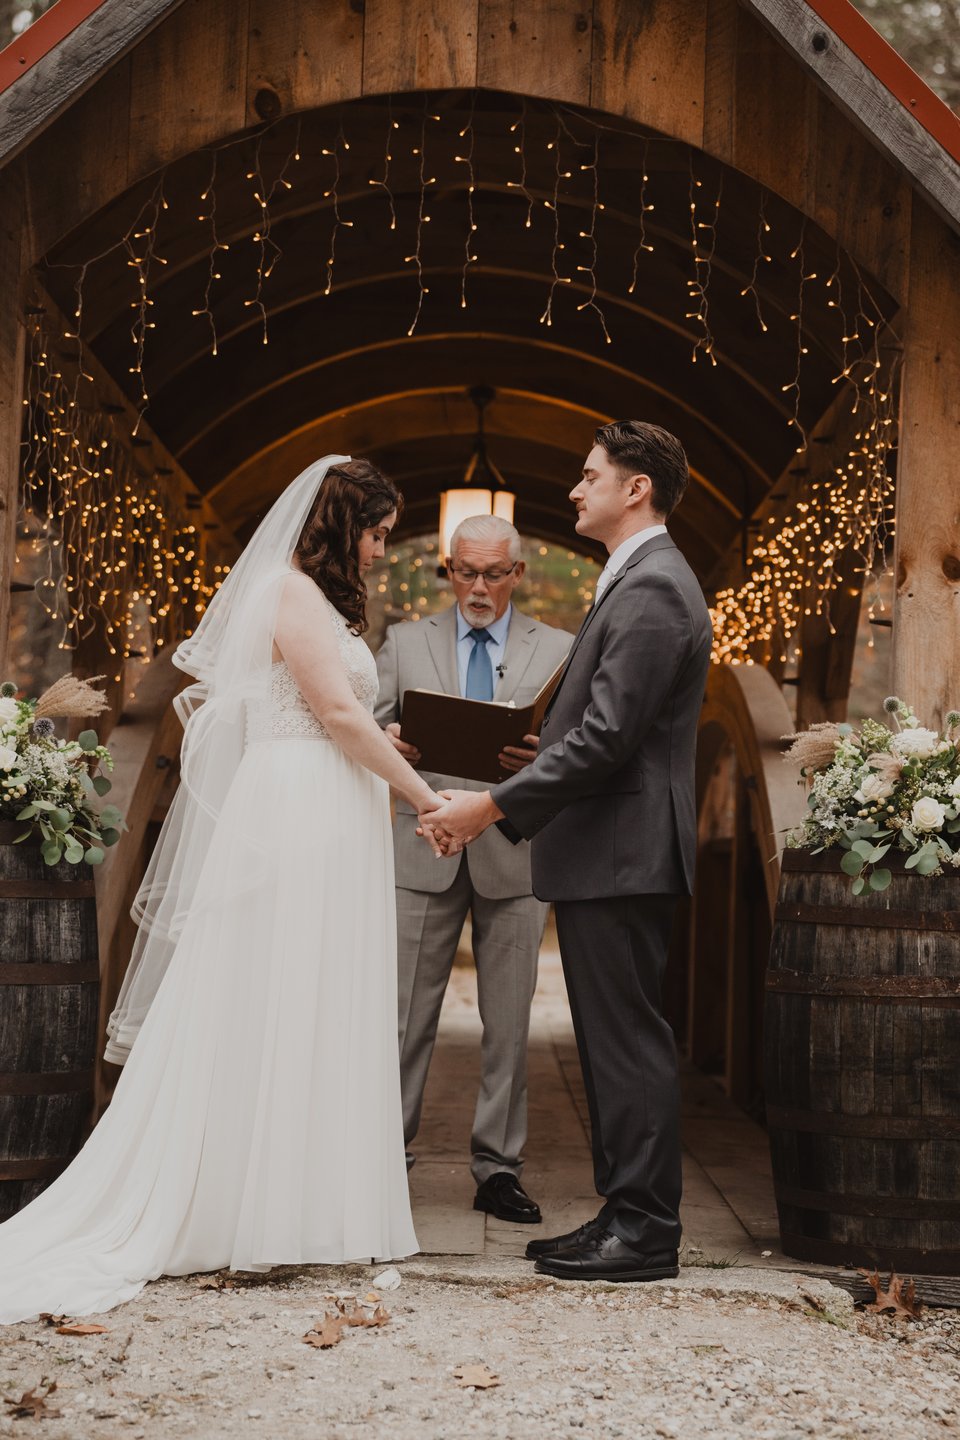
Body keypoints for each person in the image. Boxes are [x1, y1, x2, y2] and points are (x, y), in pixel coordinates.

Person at [0, 455, 444, 1324]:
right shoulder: (287, 590)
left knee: (316, 990)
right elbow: (338, 717)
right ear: (339, 525)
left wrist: (385, 747)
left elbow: (334, 713)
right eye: (378, 533)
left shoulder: (316, 603)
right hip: (298, 809)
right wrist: (427, 798)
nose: (384, 552)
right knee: (271, 987)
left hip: (330, 800)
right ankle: (240, 1205)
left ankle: (302, 1201)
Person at [420, 422, 712, 1282]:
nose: (576, 490)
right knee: (612, 1038)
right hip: (608, 846)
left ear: (637, 489)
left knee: (626, 1041)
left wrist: (490, 807)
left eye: (591, 477)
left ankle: (646, 1231)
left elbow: (615, 737)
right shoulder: (631, 580)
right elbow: (605, 728)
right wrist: (539, 755)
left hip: (625, 848)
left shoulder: (655, 585)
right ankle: (623, 1213)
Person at [375, 515, 573, 1223]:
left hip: (514, 849)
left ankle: (498, 1169)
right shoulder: (403, 641)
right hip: (419, 842)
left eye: (494, 573)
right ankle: (384, 1160)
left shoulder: (560, 647)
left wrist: (539, 761)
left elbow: (577, 747)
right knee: (401, 1020)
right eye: (466, 571)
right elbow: (365, 730)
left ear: (518, 573)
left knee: (510, 1023)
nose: (479, 587)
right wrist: (391, 743)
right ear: (448, 570)